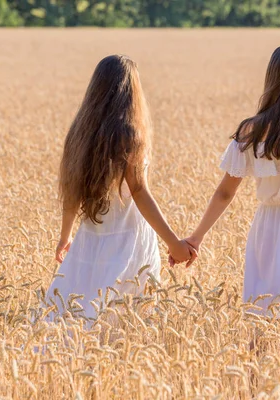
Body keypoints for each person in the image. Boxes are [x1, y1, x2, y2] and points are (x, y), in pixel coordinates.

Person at [181, 44, 280, 317]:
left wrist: (196, 238)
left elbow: (224, 194)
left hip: (264, 231)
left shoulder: (249, 130)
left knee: (262, 314)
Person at [48, 55, 196, 320]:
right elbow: (139, 192)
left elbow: (71, 189)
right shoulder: (130, 134)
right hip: (129, 241)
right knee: (126, 318)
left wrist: (65, 236)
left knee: (78, 313)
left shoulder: (80, 132)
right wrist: (174, 243)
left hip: (90, 238)